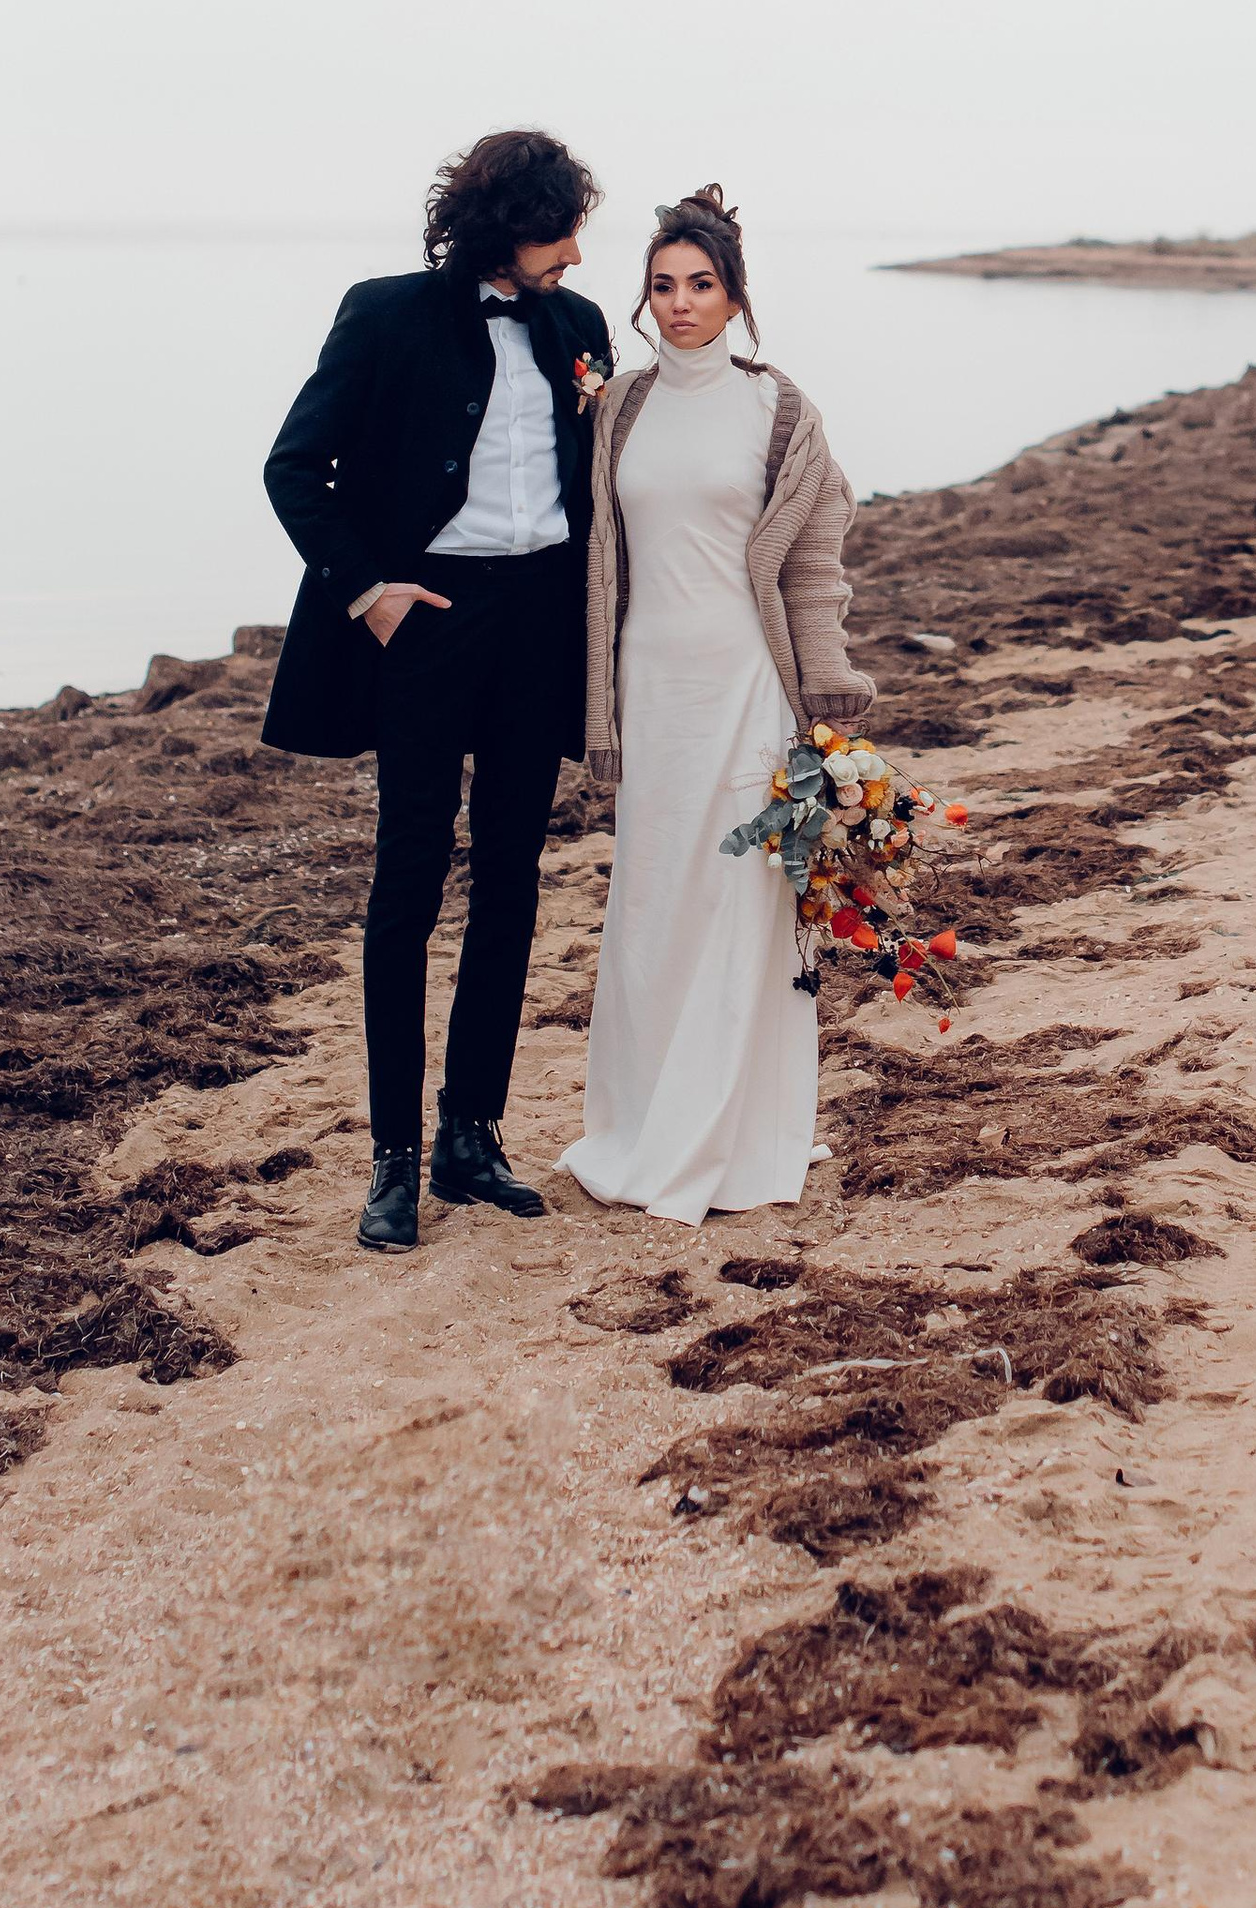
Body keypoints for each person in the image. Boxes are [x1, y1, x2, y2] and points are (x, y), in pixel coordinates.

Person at [261, 128, 615, 1253]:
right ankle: (394, 1160)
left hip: (538, 628)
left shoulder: (577, 328)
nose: (573, 254)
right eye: (558, 232)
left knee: (512, 880)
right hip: (425, 624)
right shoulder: (384, 313)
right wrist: (369, 589)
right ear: (503, 225)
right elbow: (292, 468)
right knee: (405, 888)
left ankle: (474, 1135)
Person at [562, 187, 874, 1224]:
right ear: (644, 301)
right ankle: (643, 1126)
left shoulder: (780, 410)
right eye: (663, 286)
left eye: (701, 284)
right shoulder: (619, 409)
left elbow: (817, 559)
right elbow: (591, 555)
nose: (682, 302)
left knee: (741, 903)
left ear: (736, 296)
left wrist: (827, 693)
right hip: (652, 693)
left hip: (746, 686)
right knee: (654, 906)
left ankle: (733, 1142)